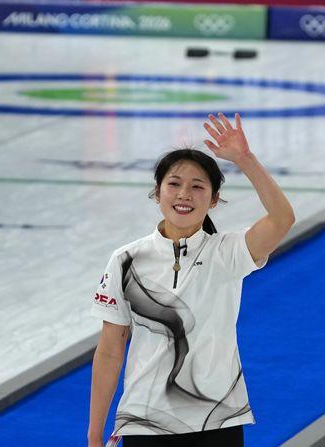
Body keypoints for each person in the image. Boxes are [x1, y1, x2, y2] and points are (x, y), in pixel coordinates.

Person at [87, 113, 295, 447]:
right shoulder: (126, 260)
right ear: (157, 192)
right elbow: (110, 350)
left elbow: (282, 218)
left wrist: (245, 159)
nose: (184, 194)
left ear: (213, 200)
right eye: (174, 184)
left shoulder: (228, 252)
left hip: (218, 420)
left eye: (197, 186)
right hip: (144, 423)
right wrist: (94, 433)